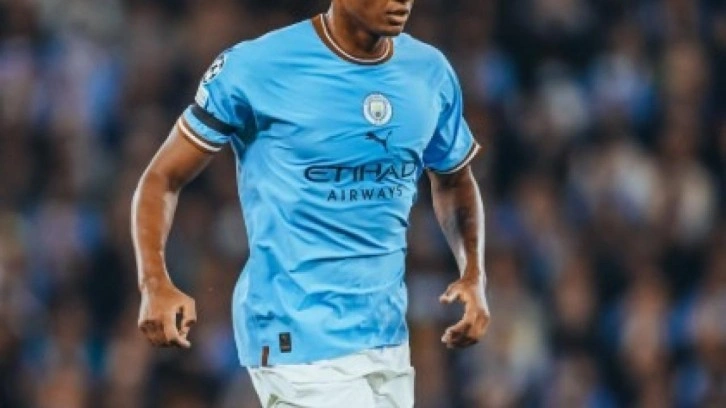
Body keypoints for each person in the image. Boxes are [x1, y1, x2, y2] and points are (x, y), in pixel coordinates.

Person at [131, 0, 490, 406]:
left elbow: (454, 178)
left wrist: (473, 272)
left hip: (385, 334)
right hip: (295, 333)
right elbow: (162, 178)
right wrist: (154, 282)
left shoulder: (429, 72)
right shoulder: (257, 67)